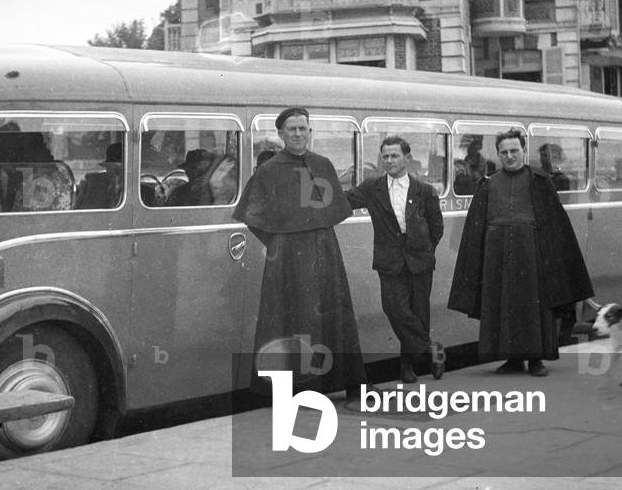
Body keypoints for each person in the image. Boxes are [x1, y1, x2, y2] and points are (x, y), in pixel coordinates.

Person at [233, 107, 367, 399]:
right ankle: (298, 387)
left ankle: (347, 380)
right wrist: (280, 242)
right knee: (289, 318)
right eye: (292, 129)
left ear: (310, 132)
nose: (298, 134)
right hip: (286, 258)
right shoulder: (268, 171)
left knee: (334, 312)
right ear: (281, 134)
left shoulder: (323, 165)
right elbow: (252, 216)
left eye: (302, 128)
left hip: (324, 250)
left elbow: (335, 210)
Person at [448, 129, 593, 376]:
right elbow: (476, 228)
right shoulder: (488, 184)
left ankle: (536, 360)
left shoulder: (540, 181)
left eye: (514, 151)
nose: (510, 156)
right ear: (498, 154)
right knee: (503, 306)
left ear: (524, 151)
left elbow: (555, 225)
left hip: (532, 255)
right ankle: (512, 360)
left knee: (534, 308)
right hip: (497, 256)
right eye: (504, 152)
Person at [345, 136, 444, 383]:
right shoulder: (372, 188)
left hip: (420, 261)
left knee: (418, 313)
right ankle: (431, 349)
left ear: (407, 159)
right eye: (385, 156)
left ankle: (406, 367)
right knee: (395, 310)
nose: (389, 161)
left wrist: (423, 250)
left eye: (394, 156)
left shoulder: (425, 191)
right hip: (390, 262)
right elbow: (344, 200)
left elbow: (436, 227)